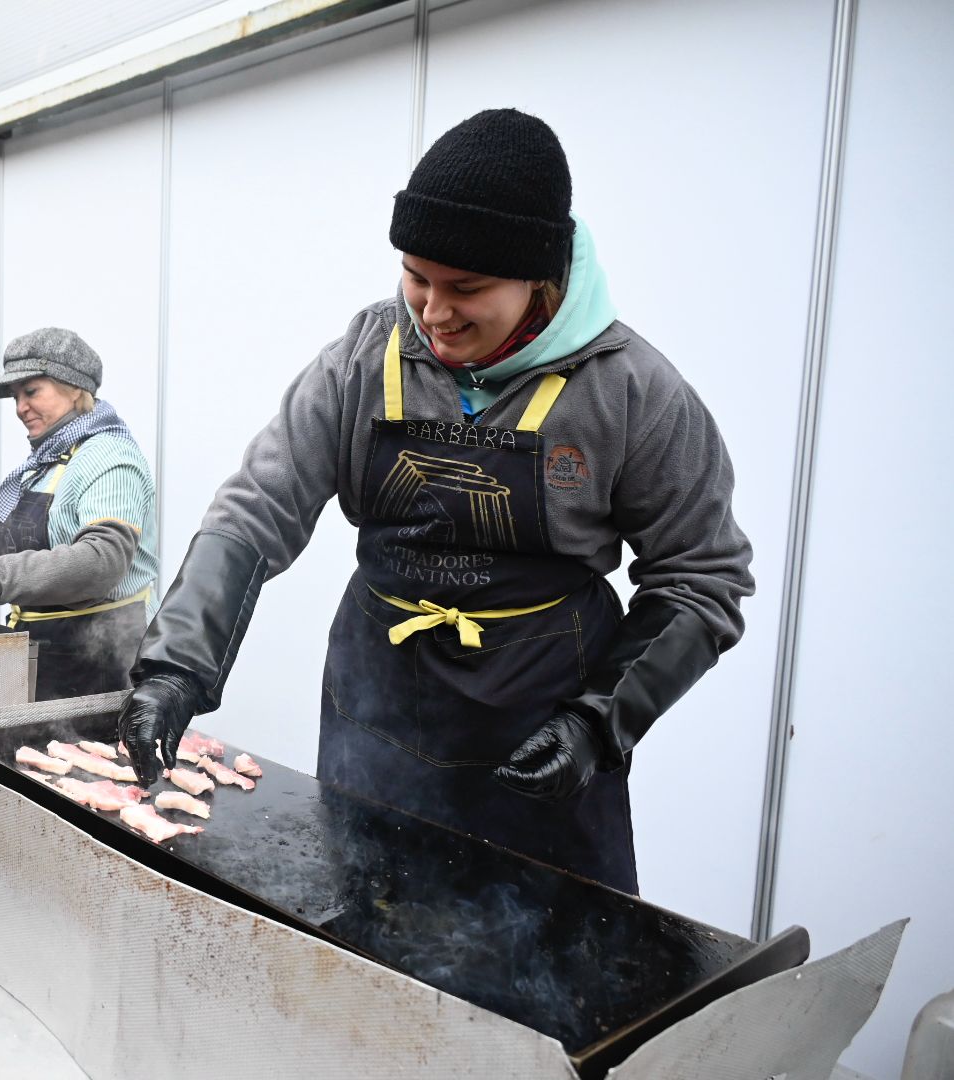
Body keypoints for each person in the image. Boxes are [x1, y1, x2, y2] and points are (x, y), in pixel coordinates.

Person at [117, 110, 753, 893]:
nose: (434, 313)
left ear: (540, 278)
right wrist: (176, 667)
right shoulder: (363, 359)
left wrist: (598, 720)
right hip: (377, 709)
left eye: (468, 288)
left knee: (551, 956)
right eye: (417, 276)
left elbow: (702, 580)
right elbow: (257, 508)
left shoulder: (631, 392)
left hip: (544, 719)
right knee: (366, 924)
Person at [0, 329, 159, 699]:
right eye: (15, 396)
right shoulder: (51, 459)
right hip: (52, 654)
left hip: (102, 663)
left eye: (32, 391)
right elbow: (52, 546)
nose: (20, 407)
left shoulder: (109, 458)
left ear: (74, 388)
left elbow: (100, 561)